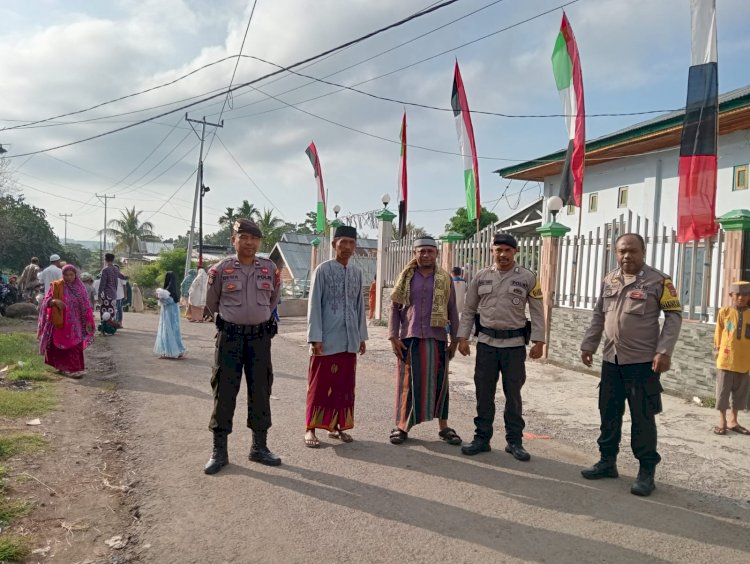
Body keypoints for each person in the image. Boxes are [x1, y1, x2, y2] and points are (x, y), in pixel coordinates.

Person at [579, 233, 682, 497]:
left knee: (643, 418)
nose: (627, 256)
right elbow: (598, 316)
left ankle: (646, 471)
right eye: (622, 251)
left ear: (643, 251)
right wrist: (589, 344)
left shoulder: (659, 281)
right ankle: (607, 461)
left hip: (642, 363)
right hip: (611, 360)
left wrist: (664, 350)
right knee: (609, 413)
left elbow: (673, 317)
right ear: (616, 253)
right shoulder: (609, 280)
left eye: (632, 251)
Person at [457, 233, 546, 461]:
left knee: (513, 395)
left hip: (514, 347)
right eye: (498, 250)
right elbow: (468, 310)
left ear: (515, 252)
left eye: (507, 250)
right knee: (483, 394)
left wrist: (539, 341)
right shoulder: (481, 276)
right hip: (486, 345)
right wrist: (463, 337)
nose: (503, 254)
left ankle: (514, 441)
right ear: (492, 251)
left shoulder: (528, 278)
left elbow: (537, 311)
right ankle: (482, 438)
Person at [203, 219, 281, 474]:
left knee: (261, 390)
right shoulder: (220, 270)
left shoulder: (269, 269)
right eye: (243, 237)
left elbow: (273, 300)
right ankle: (219, 451)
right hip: (230, 339)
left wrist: (257, 318)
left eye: (254, 238)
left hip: (260, 339)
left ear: (260, 241)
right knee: (224, 392)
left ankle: (259, 447)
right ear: (233, 239)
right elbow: (212, 303)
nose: (249, 242)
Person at [388, 236, 461, 446]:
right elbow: (394, 307)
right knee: (407, 382)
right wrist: (393, 336)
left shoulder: (445, 278)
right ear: (415, 254)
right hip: (409, 338)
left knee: (441, 382)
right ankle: (402, 425)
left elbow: (452, 309)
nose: (426, 255)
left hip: (437, 338)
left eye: (430, 251)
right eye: (422, 251)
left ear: (436, 253)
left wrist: (455, 340)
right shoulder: (405, 277)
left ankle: (444, 426)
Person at [304, 225, 367, 448]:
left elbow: (360, 306)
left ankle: (337, 426)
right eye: (343, 243)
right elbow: (314, 307)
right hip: (326, 339)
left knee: (344, 386)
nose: (348, 247)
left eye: (352, 243)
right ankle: (310, 428)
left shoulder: (357, 273)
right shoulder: (322, 270)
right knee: (320, 383)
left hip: (349, 339)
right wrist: (315, 337)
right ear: (334, 245)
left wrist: (361, 337)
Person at [37, 264, 95, 378]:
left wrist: (88, 320)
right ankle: (61, 367)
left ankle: (74, 369)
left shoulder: (80, 288)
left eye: (71, 275)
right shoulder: (57, 286)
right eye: (66, 275)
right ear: (62, 275)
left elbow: (87, 306)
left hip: (75, 325)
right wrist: (54, 301)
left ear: (75, 275)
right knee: (57, 345)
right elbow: (46, 300)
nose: (69, 277)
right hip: (60, 323)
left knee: (74, 346)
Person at [713, 281, 750, 436]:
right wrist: (717, 351)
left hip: (745, 360)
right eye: (737, 294)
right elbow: (718, 333)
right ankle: (722, 420)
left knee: (740, 393)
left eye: (745, 295)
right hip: (726, 359)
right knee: (723, 391)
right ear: (731, 295)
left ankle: (733, 420)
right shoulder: (724, 312)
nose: (741, 298)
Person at [154, 271, 187, 359]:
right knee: (175, 332)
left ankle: (168, 351)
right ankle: (178, 350)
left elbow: (167, 301)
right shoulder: (174, 289)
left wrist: (158, 298)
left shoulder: (166, 290)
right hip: (174, 314)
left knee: (167, 331)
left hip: (168, 314)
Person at [98, 254, 127, 330]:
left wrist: (99, 295)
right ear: (113, 260)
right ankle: (111, 328)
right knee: (112, 311)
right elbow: (122, 277)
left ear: (105, 259)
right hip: (114, 294)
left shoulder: (105, 270)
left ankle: (104, 328)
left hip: (106, 294)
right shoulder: (115, 269)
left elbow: (102, 284)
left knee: (104, 311)